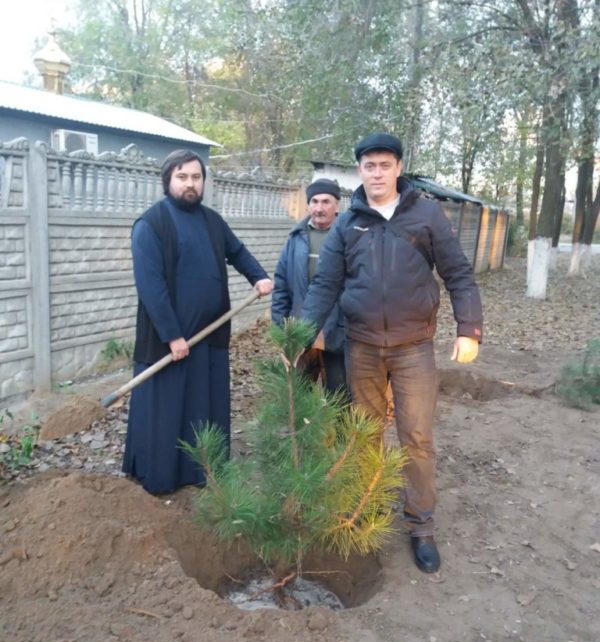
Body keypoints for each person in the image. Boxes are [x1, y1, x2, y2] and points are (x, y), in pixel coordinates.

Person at [301, 132, 483, 573]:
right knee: (364, 436)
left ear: (398, 168)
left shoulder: (426, 215)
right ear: (359, 171)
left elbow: (458, 272)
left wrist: (469, 328)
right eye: (369, 166)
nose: (376, 173)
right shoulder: (349, 222)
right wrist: (302, 335)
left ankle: (421, 527)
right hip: (362, 347)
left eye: (384, 165)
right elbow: (326, 283)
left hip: (413, 348)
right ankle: (368, 516)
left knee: (416, 439)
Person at [123, 149, 273, 494]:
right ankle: (161, 477)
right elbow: (151, 286)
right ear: (168, 180)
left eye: (196, 177)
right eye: (182, 177)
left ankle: (202, 470)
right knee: (167, 409)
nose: (190, 184)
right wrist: (173, 335)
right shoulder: (151, 224)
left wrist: (258, 276)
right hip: (170, 339)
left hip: (210, 335)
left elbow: (237, 251)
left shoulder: (211, 220)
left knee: (204, 404)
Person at [271, 178, 347, 396]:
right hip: (301, 329)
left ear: (337, 206)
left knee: (340, 399)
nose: (319, 208)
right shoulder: (296, 239)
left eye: (326, 202)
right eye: (314, 201)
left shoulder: (347, 236)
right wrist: (280, 330)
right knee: (297, 397)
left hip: (337, 331)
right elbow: (281, 286)